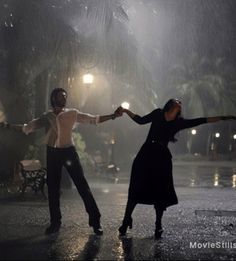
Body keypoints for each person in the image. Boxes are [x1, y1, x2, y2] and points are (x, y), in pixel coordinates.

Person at [1, 88, 121, 235]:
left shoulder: (72, 113)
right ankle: (55, 223)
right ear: (54, 99)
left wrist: (113, 116)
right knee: (53, 189)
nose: (64, 98)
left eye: (65, 96)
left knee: (82, 186)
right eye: (60, 96)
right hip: (53, 153)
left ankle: (95, 221)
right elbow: (27, 128)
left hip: (69, 152)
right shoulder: (47, 116)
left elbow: (93, 119)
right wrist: (7, 126)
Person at [117, 99, 236, 239]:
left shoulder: (178, 122)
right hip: (146, 155)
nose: (179, 103)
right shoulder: (158, 114)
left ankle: (158, 225)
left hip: (162, 159)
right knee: (136, 188)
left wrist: (223, 117)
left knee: (160, 192)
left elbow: (201, 120)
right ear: (170, 105)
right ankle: (126, 221)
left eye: (180, 103)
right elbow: (140, 120)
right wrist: (125, 111)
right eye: (176, 102)